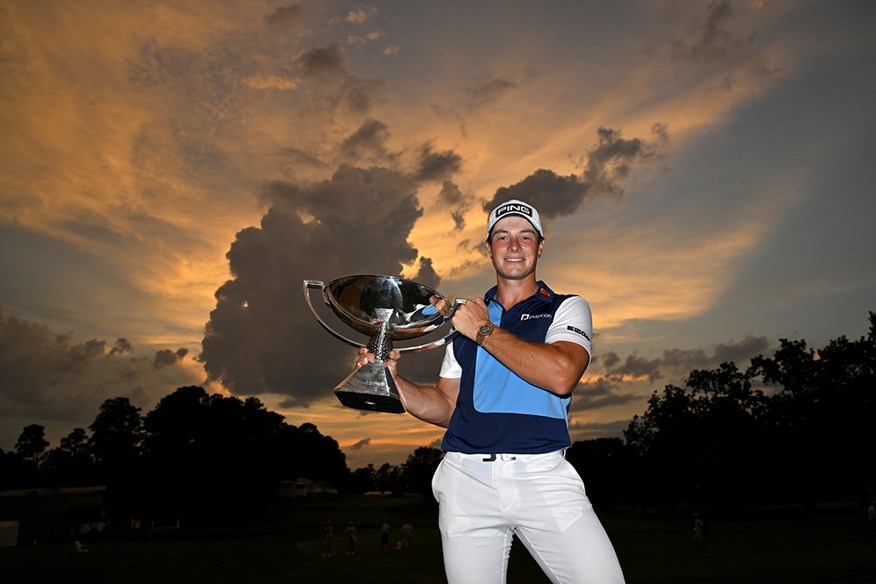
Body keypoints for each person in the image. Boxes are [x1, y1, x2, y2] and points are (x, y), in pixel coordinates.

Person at [358, 199, 625, 583]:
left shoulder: (566, 308)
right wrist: (392, 381)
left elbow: (561, 374)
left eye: (524, 236)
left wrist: (482, 330)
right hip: (466, 480)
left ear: (540, 246)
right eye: (502, 236)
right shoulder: (463, 319)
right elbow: (446, 406)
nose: (513, 246)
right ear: (489, 248)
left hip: (543, 476)